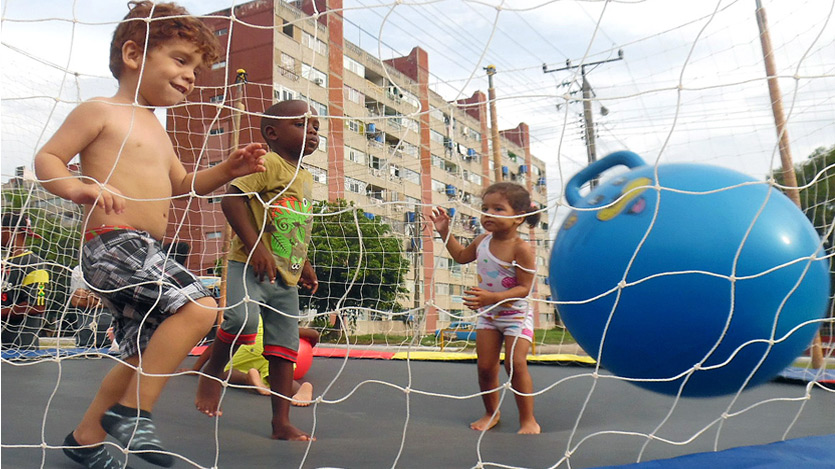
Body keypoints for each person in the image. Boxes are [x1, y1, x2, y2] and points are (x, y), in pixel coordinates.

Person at [33, 2, 267, 468]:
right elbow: (48, 160)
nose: (190, 77)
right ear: (135, 54)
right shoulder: (100, 110)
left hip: (145, 250)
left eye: (197, 71)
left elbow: (184, 186)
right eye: (181, 61)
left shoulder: (158, 130)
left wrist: (229, 168)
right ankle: (134, 413)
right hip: (112, 243)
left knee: (140, 352)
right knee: (201, 306)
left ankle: (85, 438)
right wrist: (81, 188)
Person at [195, 99, 320, 442]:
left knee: (284, 349)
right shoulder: (269, 164)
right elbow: (230, 201)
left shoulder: (305, 177)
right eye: (301, 125)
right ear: (271, 133)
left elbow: (294, 226)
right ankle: (212, 372)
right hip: (249, 265)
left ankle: (281, 423)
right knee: (241, 322)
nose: (311, 132)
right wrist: (257, 247)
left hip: (286, 277)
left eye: (315, 127)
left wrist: (304, 264)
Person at [429, 182, 542, 435]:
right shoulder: (482, 240)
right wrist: (445, 231)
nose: (488, 214)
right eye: (485, 208)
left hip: (516, 315)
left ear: (518, 218)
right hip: (489, 315)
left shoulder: (520, 248)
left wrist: (493, 296)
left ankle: (528, 420)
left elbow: (525, 288)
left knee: (515, 364)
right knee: (485, 366)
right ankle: (492, 412)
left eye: (498, 209)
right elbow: (460, 256)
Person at [185, 324, 318, 406]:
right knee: (277, 376)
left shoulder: (246, 321)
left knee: (225, 372)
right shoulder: (279, 322)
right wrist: (310, 344)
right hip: (273, 347)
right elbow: (314, 334)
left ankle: (248, 378)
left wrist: (195, 368)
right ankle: (300, 389)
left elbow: (216, 345)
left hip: (248, 346)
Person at [1, 212, 49, 350]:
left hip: (22, 348)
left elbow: (37, 306)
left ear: (12, 231)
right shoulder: (3, 263)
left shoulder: (34, 263)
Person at [69, 264, 113, 348]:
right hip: (87, 334)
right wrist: (110, 298)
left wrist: (91, 296)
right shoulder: (80, 269)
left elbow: (128, 299)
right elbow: (77, 300)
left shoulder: (122, 269)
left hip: (119, 334)